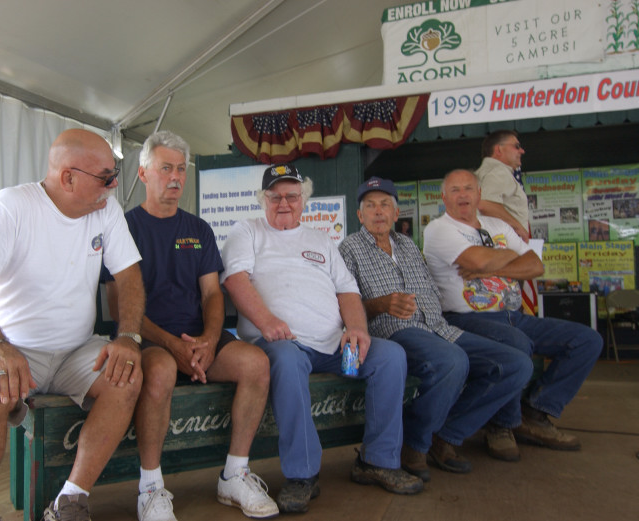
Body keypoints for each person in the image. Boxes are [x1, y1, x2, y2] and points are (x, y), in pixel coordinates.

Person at [0, 129, 145, 521]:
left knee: (126, 376)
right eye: (106, 177)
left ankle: (71, 500)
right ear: (68, 177)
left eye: (114, 174)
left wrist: (128, 337)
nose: (113, 186)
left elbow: (129, 277)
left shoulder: (106, 211)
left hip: (75, 350)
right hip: (11, 346)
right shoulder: (11, 207)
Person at [221, 164, 422, 514]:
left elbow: (347, 291)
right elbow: (235, 280)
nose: (284, 203)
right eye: (275, 197)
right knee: (285, 360)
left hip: (333, 347)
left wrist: (356, 329)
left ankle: (376, 461)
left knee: (390, 356)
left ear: (304, 200)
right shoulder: (248, 231)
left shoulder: (321, 240)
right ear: (263, 200)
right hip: (284, 343)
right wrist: (266, 321)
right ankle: (302, 474)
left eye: (291, 196)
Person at [104, 131, 277, 521]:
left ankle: (235, 474)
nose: (176, 177)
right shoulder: (124, 228)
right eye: (166, 168)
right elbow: (118, 307)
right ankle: (150, 488)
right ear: (143, 173)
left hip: (198, 341)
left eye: (181, 169)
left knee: (256, 363)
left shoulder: (198, 230)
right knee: (162, 370)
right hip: (145, 339)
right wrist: (172, 345)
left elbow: (213, 294)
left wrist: (209, 340)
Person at [339, 178, 533, 477]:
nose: (378, 212)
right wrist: (381, 304)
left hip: (439, 327)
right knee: (452, 361)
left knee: (516, 364)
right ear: (359, 215)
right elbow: (344, 307)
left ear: (396, 212)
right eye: (370, 206)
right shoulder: (348, 248)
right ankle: (415, 444)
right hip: (393, 332)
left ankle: (446, 434)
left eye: (385, 205)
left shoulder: (408, 245)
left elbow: (433, 292)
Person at [423, 169, 602, 455]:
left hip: (514, 316)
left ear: (479, 194)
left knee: (587, 340)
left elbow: (535, 266)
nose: (462, 195)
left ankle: (535, 413)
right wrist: (508, 256)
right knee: (516, 343)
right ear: (444, 198)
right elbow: (477, 261)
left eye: (468, 188)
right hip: (465, 319)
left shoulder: (497, 226)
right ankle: (502, 424)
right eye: (455, 190)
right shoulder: (439, 229)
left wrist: (492, 268)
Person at [474, 130, 530, 242]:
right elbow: (485, 205)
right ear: (499, 149)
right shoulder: (499, 171)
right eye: (517, 146)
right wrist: (519, 227)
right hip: (504, 244)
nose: (522, 151)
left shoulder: (480, 174)